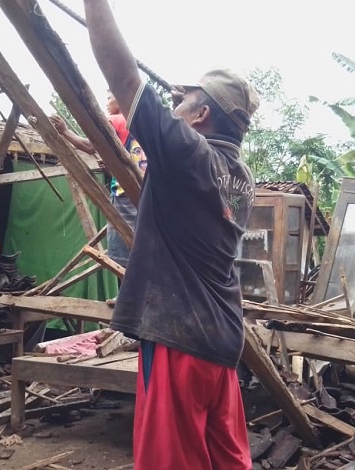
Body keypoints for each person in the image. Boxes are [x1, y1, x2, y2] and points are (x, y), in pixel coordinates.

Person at [82, 2, 260, 469]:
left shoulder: (189, 155)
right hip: (221, 344)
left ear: (201, 115)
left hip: (180, 339)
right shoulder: (241, 176)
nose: (174, 105)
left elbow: (123, 77)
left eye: (183, 100)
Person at [50, 91, 147, 268]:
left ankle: (129, 295)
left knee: (124, 251)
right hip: (145, 190)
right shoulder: (139, 123)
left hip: (124, 193)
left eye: (109, 97)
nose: (106, 102)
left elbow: (89, 146)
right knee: (144, 246)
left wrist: (65, 131)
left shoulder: (115, 119)